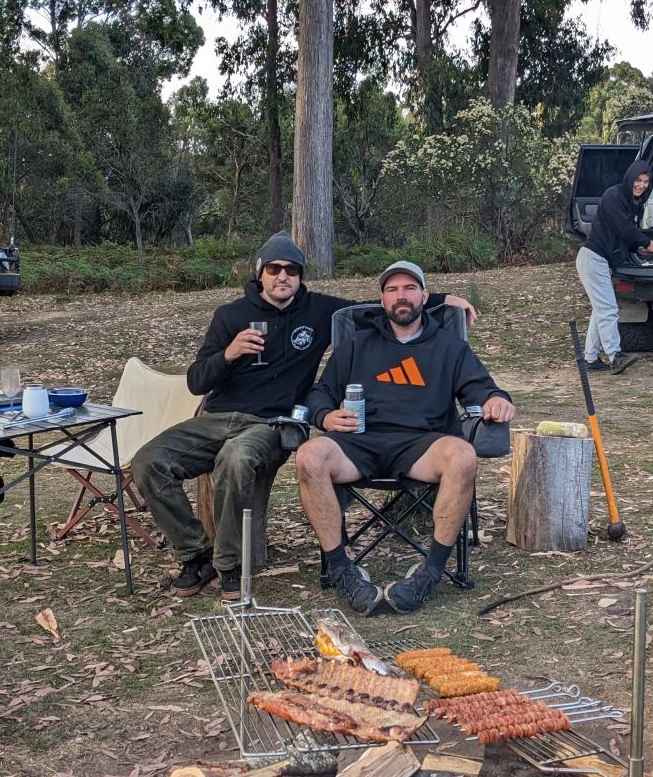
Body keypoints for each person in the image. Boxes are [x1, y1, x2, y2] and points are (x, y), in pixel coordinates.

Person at [133, 233, 473, 599]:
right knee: (148, 461)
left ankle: (228, 566)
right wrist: (228, 354)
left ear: (300, 276)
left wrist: (442, 300)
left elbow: (379, 307)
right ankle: (195, 553)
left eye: (292, 269)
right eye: (275, 268)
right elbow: (197, 381)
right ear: (260, 273)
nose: (283, 276)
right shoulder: (230, 316)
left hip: (273, 424)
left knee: (235, 460)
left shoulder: (319, 311)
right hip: (217, 417)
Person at [295, 261, 514, 614]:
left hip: (421, 444)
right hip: (361, 442)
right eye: (392, 290)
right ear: (382, 300)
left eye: (410, 288)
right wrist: (325, 415)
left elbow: (482, 389)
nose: (402, 296)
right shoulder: (356, 344)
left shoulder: (449, 347)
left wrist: (496, 400)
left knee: (462, 455)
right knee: (309, 456)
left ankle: (430, 572)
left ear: (424, 297)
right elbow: (320, 392)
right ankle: (341, 570)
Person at [578, 160, 653, 374]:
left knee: (600, 310)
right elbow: (623, 229)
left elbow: (622, 235)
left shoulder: (632, 202)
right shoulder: (614, 196)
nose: (641, 185)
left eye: (646, 182)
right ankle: (615, 356)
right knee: (609, 310)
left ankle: (590, 358)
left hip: (602, 260)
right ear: (630, 177)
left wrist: (636, 248)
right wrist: (646, 243)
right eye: (638, 180)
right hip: (593, 258)